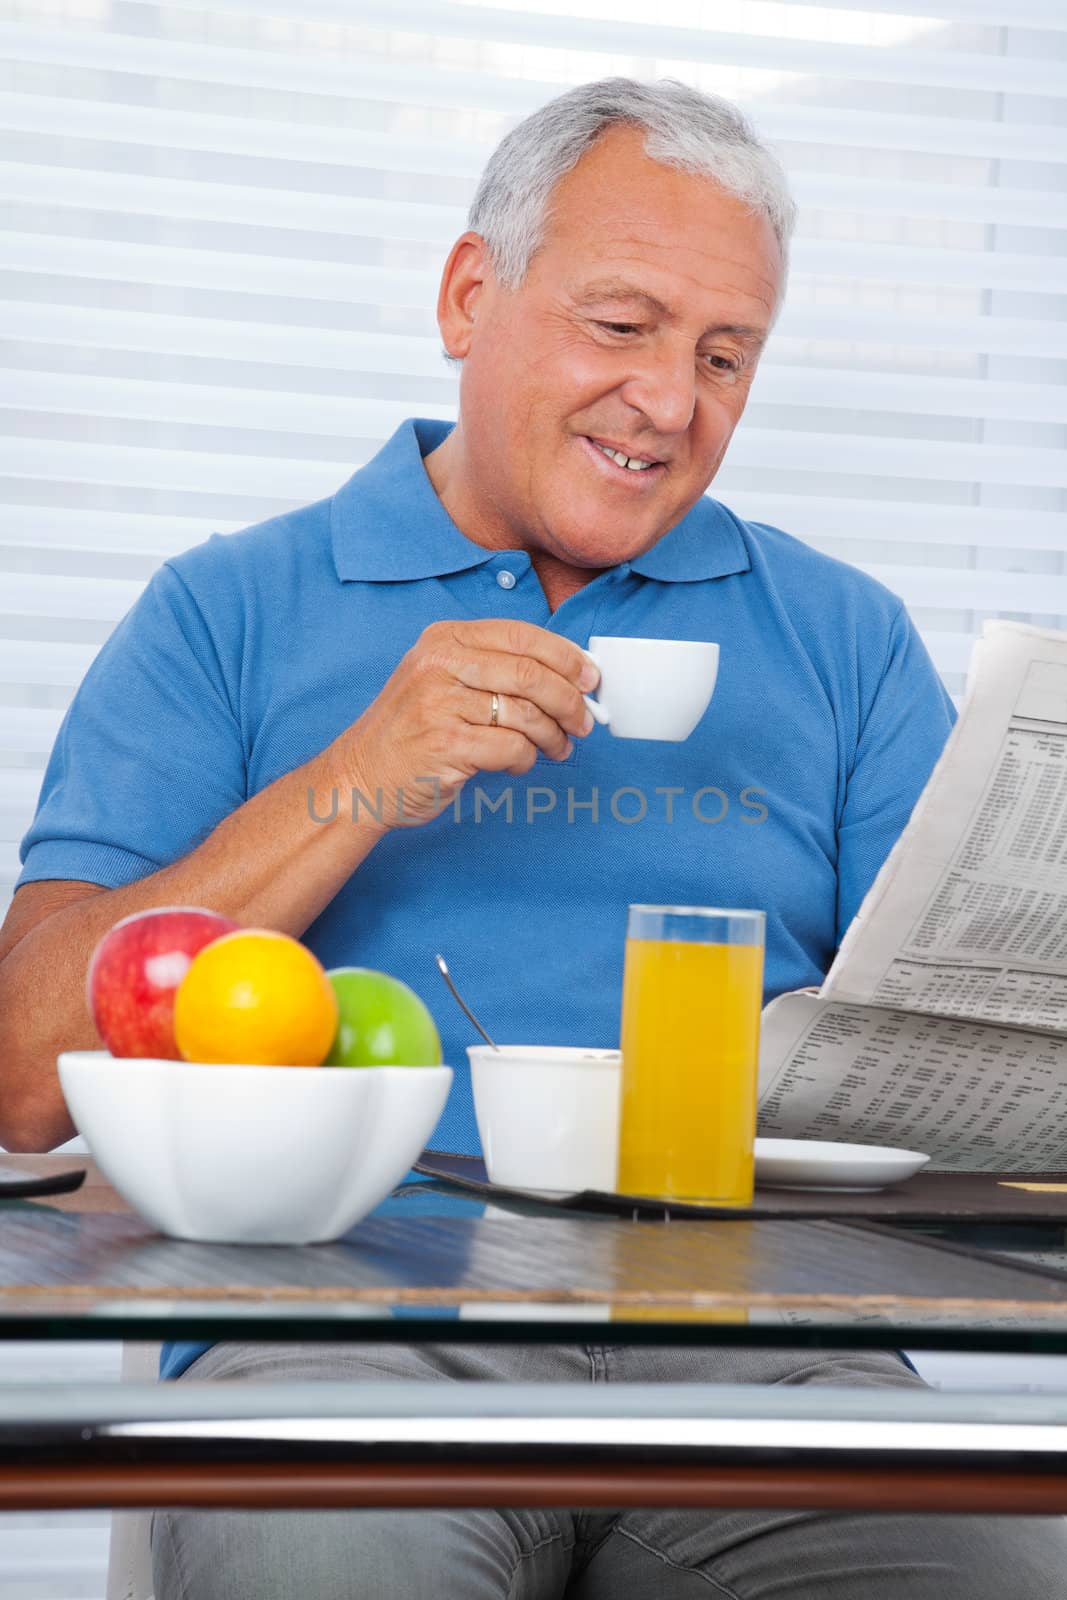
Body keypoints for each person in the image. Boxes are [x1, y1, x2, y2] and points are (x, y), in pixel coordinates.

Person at [0, 75, 1062, 1598]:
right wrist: (361, 773)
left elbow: (968, 1062)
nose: (670, 403)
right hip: (338, 1349)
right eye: (621, 326)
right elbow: (25, 1081)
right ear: (468, 295)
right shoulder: (224, 610)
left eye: (723, 355)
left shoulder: (845, 640)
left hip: (772, 1365)